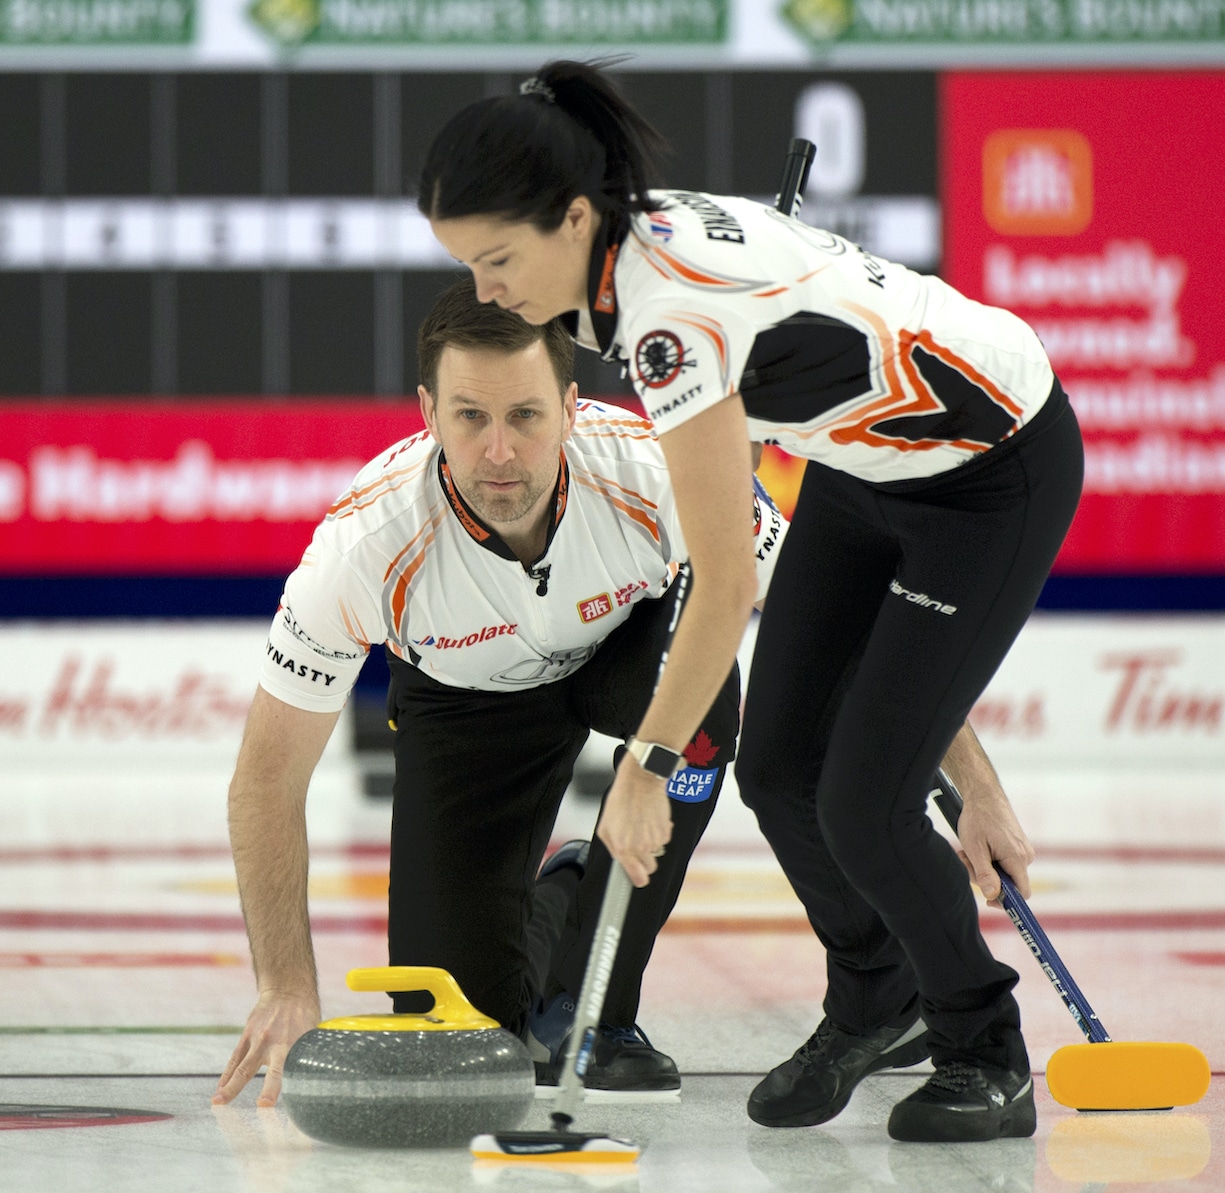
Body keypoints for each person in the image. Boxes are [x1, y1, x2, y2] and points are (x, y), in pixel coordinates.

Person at [418, 61, 1084, 1143]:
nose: (485, 290)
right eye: (467, 264)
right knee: (779, 765)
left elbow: (723, 585)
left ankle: (982, 1046)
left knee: (865, 798)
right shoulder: (619, 259)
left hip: (986, 468)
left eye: (496, 259)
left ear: (573, 215)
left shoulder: (666, 314)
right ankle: (878, 993)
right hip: (865, 466)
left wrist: (641, 765)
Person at [213, 276, 786, 1108]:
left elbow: (831, 613)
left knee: (698, 707)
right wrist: (287, 986)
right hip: (466, 707)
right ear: (427, 412)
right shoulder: (365, 542)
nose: (499, 452)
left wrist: (969, 775)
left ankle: (603, 1014)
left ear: (571, 405)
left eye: (525, 415)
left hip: (622, 653)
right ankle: (570, 887)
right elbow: (266, 779)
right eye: (470, 417)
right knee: (450, 1033)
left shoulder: (652, 468)